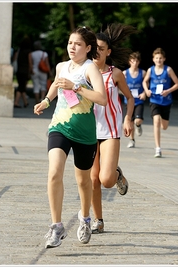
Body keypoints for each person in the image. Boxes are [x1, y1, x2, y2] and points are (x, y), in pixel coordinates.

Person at [33, 26, 107, 249]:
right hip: (60, 126)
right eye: (70, 43)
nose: (72, 47)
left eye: (77, 44)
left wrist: (77, 87)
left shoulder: (90, 69)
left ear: (88, 48)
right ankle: (56, 227)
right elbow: (56, 85)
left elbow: (101, 99)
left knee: (83, 181)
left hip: (84, 133)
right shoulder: (61, 66)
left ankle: (85, 218)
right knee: (54, 171)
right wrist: (46, 101)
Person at [90, 23, 136, 234]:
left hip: (109, 132)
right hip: (88, 132)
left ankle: (116, 175)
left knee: (105, 180)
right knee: (93, 179)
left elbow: (129, 97)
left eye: (101, 48)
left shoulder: (115, 74)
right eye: (94, 48)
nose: (97, 52)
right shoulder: (84, 73)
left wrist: (127, 119)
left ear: (108, 51)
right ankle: (98, 220)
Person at [142, 47, 178, 158]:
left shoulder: (168, 70)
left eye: (160, 58)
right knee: (156, 121)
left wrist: (168, 91)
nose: (158, 60)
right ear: (153, 59)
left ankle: (162, 130)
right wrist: (147, 90)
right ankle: (158, 148)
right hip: (154, 99)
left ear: (164, 59)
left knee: (164, 126)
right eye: (156, 58)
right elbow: (144, 82)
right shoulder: (150, 70)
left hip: (166, 101)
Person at [122, 51, 147, 148]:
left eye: (136, 61)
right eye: (133, 61)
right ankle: (131, 140)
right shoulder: (125, 73)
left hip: (139, 100)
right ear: (129, 62)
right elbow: (121, 85)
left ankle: (138, 125)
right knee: (130, 121)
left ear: (139, 62)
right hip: (128, 100)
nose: (135, 63)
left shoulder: (143, 73)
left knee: (138, 120)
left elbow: (146, 84)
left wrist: (144, 93)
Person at [14, 36, 32, 108]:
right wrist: (31, 71)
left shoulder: (19, 51)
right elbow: (30, 63)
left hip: (19, 70)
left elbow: (15, 60)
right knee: (21, 87)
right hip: (25, 71)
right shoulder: (28, 52)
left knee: (22, 87)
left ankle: (25, 102)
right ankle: (16, 102)